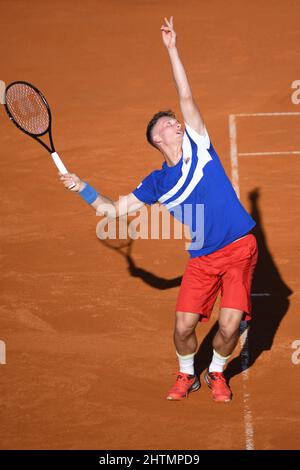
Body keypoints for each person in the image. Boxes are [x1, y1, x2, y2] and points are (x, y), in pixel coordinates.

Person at [60, 16, 258, 403]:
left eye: (177, 121)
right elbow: (112, 211)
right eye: (170, 122)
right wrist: (81, 187)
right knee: (184, 327)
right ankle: (187, 375)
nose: (178, 122)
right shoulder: (155, 183)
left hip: (238, 250)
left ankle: (216, 371)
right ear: (158, 137)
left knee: (230, 324)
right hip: (202, 259)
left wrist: (172, 49)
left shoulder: (199, 146)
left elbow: (186, 96)